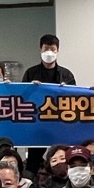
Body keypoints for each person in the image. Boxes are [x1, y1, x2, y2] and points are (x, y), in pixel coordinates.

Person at [23, 34, 77, 176]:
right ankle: (31, 185)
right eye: (46, 49)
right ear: (40, 50)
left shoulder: (66, 75)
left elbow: (75, 100)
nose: (49, 52)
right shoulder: (30, 73)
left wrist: (67, 91)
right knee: (33, 162)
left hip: (61, 125)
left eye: (52, 49)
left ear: (57, 50)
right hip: (38, 125)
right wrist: (30, 89)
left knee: (63, 158)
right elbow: (22, 99)